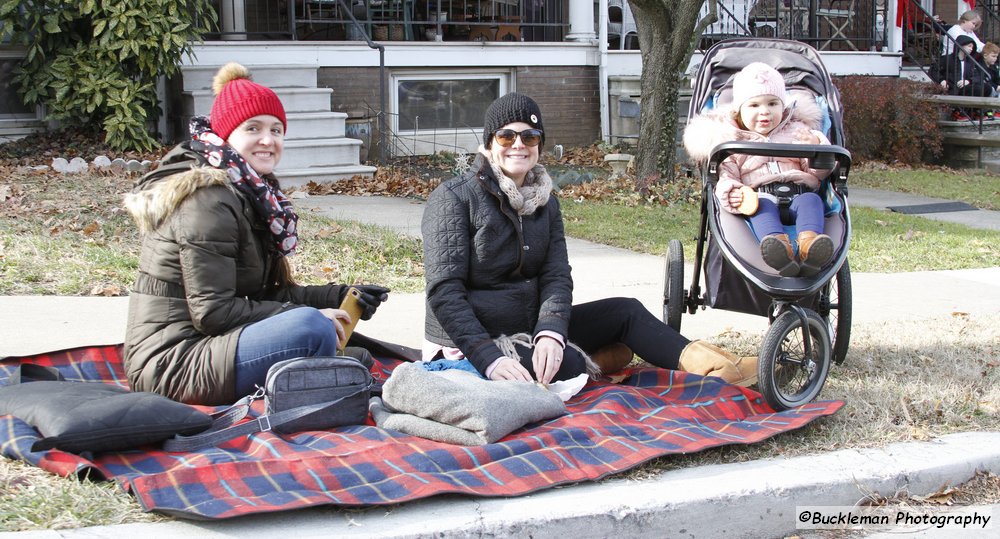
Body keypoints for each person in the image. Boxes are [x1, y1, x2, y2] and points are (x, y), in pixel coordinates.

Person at [421, 93, 757, 389]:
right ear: (490, 143)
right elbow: (444, 292)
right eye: (507, 136)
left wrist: (551, 332)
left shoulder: (546, 202)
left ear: (540, 143)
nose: (519, 145)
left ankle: (720, 368)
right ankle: (592, 359)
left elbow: (555, 275)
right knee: (567, 365)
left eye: (530, 136)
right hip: (473, 343)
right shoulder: (454, 198)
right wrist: (489, 357)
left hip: (529, 324)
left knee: (626, 312)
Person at [123, 62, 389, 405]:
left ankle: (328, 372)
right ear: (226, 134)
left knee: (349, 352)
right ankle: (325, 374)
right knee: (311, 330)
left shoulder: (250, 193)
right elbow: (213, 313)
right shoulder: (208, 200)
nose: (268, 140)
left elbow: (265, 295)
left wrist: (337, 296)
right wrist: (309, 317)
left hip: (208, 349)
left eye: (277, 130)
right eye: (253, 128)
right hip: (170, 365)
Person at [683, 62, 834, 278]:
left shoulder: (799, 131)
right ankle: (778, 250)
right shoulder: (732, 141)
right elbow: (725, 176)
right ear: (738, 111)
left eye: (773, 103)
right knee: (760, 208)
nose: (764, 111)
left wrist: (817, 146)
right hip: (759, 196)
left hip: (801, 191)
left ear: (783, 107)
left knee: (812, 202)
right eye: (754, 106)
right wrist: (732, 192)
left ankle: (810, 247)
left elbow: (819, 174)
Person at [931, 34, 983, 121]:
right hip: (952, 87)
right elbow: (934, 70)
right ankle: (959, 112)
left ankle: (971, 111)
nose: (971, 49)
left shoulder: (970, 62)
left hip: (965, 87)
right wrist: (942, 80)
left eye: (972, 47)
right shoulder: (947, 59)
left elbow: (978, 76)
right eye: (969, 46)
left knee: (984, 88)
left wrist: (968, 81)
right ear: (961, 45)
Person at [976, 42, 999, 119]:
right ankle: (988, 111)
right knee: (991, 89)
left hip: (994, 88)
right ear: (985, 56)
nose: (995, 59)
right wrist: (996, 87)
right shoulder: (979, 66)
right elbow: (983, 80)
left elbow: (997, 80)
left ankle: (997, 112)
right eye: (993, 56)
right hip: (985, 88)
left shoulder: (994, 67)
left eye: (996, 56)